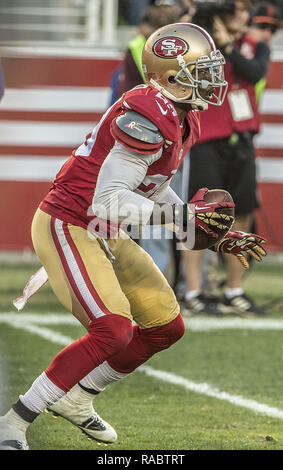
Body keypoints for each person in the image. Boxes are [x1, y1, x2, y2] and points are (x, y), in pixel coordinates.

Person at [0, 23, 267, 450]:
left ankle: (79, 398)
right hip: (70, 222)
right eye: (202, 70)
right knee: (114, 329)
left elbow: (150, 188)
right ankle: (13, 422)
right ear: (168, 75)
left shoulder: (183, 118)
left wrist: (210, 234)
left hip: (104, 228)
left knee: (165, 326)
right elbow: (107, 200)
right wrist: (184, 216)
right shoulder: (147, 113)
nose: (213, 79)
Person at [182, 0, 272, 316]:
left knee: (243, 216)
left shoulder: (254, 46)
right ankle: (193, 291)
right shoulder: (201, 44)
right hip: (208, 140)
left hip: (243, 141)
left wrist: (228, 45)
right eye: (234, 11)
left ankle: (234, 290)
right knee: (203, 216)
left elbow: (255, 72)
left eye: (245, 12)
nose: (241, 16)